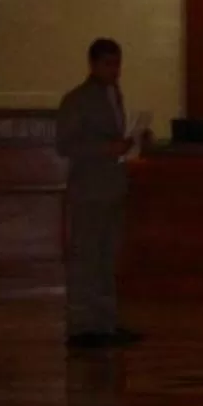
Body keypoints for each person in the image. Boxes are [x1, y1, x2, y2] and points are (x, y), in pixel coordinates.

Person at [55, 37, 140, 354]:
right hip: (89, 188)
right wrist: (106, 149)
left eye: (117, 64)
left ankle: (104, 322)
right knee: (86, 258)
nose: (114, 70)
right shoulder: (77, 99)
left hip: (112, 186)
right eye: (108, 64)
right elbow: (65, 145)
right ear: (93, 64)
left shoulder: (114, 95)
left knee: (107, 258)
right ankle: (81, 326)